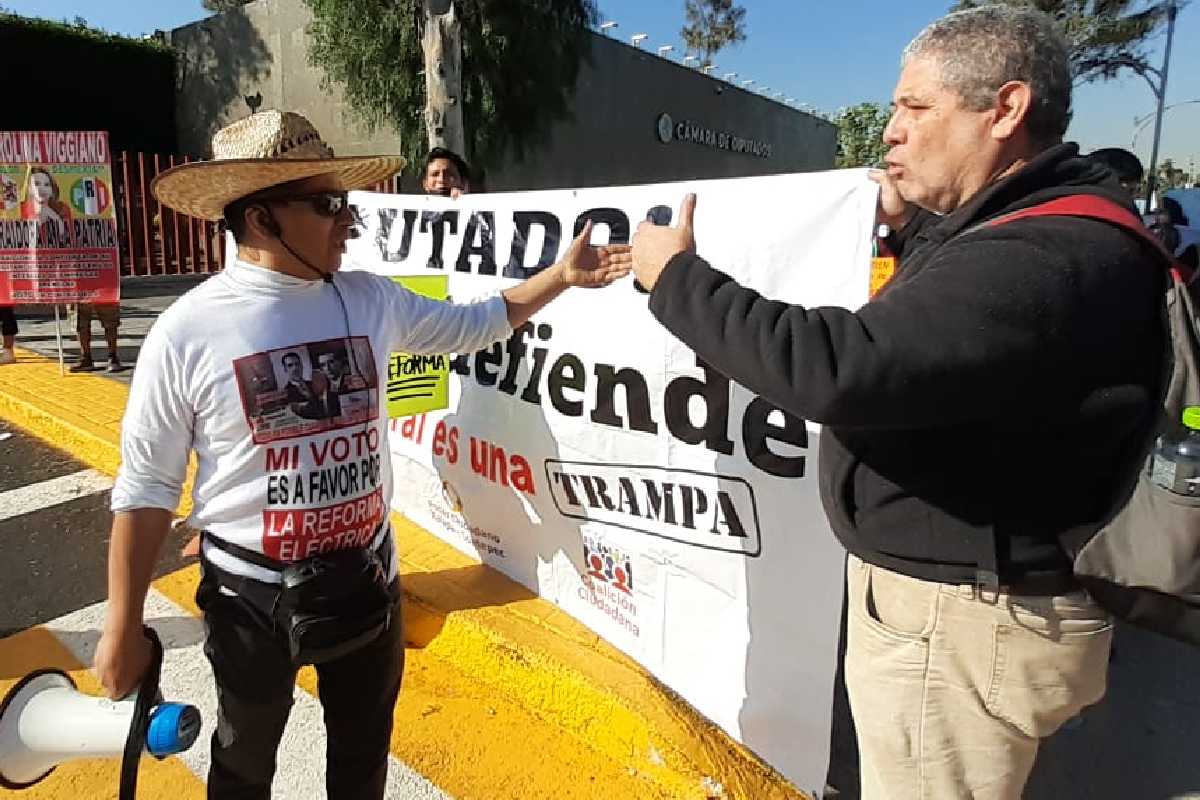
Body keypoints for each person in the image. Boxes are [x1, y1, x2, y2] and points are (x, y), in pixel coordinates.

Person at [631, 8, 1161, 799]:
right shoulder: (1024, 232)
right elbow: (944, 338)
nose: (890, 132)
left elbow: (838, 369)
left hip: (963, 627)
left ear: (1005, 110)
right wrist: (911, 228)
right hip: (965, 609)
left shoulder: (1047, 254)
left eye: (915, 108)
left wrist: (676, 280)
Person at [94, 110, 630, 800]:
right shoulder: (186, 332)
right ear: (262, 220)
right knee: (242, 766)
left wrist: (560, 276)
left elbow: (475, 326)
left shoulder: (370, 297)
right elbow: (145, 490)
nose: (348, 221)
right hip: (250, 604)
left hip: (370, 585)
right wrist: (121, 628)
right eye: (327, 205)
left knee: (361, 763)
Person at [69, 302, 124, 373]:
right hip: (80, 292)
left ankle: (113, 358)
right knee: (80, 320)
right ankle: (86, 358)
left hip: (103, 292)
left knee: (110, 319)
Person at [19, 167, 71, 234]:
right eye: (37, 184)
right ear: (29, 189)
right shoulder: (22, 209)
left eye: (46, 185)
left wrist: (55, 217)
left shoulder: (63, 208)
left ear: (52, 190)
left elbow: (67, 236)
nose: (42, 189)